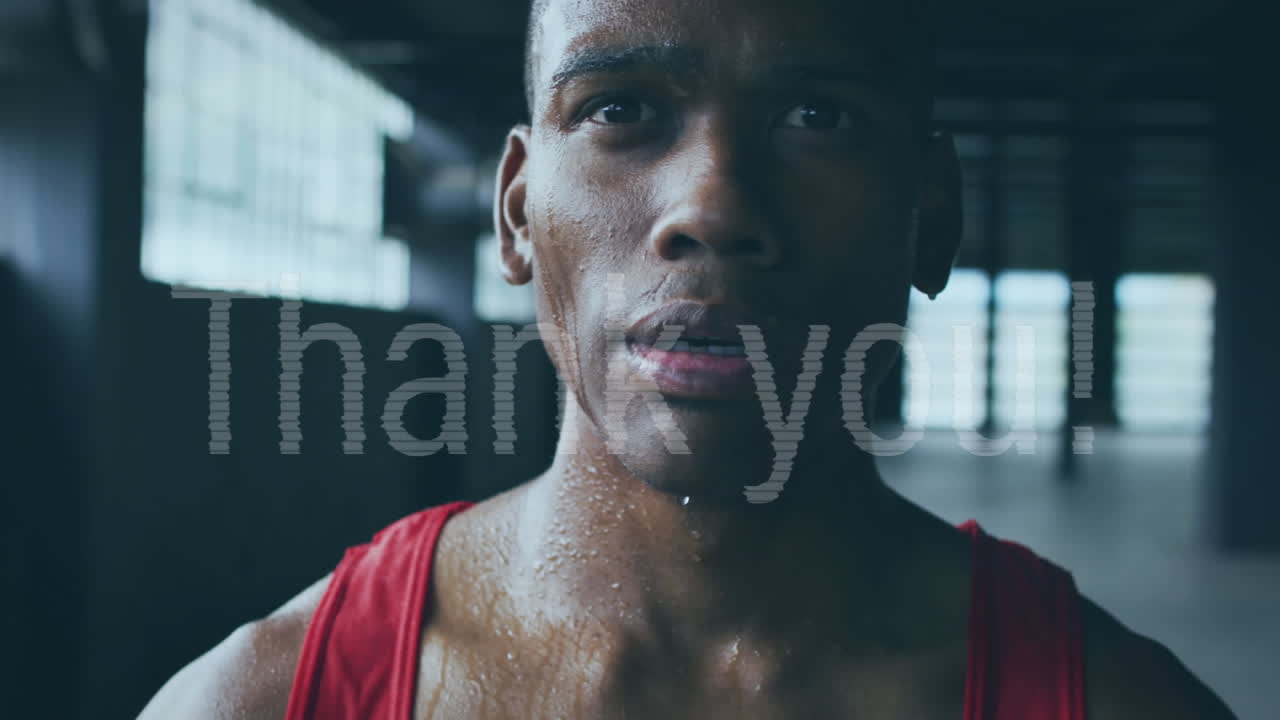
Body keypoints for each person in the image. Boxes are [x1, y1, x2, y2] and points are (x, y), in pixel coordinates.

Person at [139, 0, 1237, 717]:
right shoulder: (267, 699)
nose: (711, 205)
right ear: (517, 214)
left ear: (931, 213)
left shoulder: (1114, 702)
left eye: (819, 116)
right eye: (619, 109)